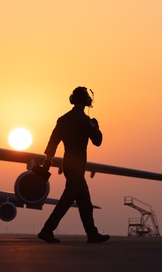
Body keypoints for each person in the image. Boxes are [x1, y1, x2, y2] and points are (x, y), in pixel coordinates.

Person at [37, 86, 109, 244]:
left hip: (67, 164)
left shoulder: (63, 119)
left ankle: (92, 233)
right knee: (66, 200)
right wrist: (95, 127)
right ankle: (47, 230)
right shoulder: (85, 121)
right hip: (77, 166)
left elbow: (52, 143)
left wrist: (47, 164)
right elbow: (98, 141)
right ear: (86, 101)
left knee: (85, 202)